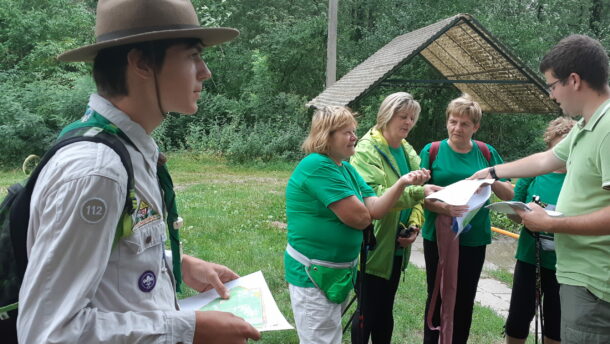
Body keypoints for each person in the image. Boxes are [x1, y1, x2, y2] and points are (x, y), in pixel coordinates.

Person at [16, 1, 261, 343]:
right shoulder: (97, 172)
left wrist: (174, 262)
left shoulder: (126, 149)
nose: (205, 72)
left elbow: (109, 255)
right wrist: (189, 330)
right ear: (142, 63)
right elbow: (49, 332)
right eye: (193, 55)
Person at [470, 34, 610, 344]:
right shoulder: (589, 124)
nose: (551, 96)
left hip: (596, 285)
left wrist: (551, 223)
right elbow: (546, 159)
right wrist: (491, 171)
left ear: (573, 80)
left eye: (552, 85)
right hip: (581, 278)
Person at [284, 106, 430, 344]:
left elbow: (376, 208)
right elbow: (361, 218)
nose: (354, 137)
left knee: (329, 336)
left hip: (336, 271)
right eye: (346, 132)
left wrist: (402, 183)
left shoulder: (346, 168)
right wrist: (376, 204)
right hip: (313, 273)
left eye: (354, 131)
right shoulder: (317, 166)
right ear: (326, 136)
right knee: (321, 340)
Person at [420, 94, 514, 344]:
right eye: (453, 121)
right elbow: (419, 196)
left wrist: (492, 179)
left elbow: (510, 191)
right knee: (437, 295)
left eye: (464, 124)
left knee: (464, 298)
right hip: (439, 237)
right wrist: (443, 209)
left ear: (476, 127)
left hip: (473, 238)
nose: (457, 128)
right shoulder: (433, 151)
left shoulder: (486, 152)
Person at [348, 92, 439, 344]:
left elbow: (418, 197)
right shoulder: (367, 149)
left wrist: (414, 225)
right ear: (387, 115)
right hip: (373, 244)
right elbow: (375, 197)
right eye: (403, 116)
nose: (408, 122)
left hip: (397, 248)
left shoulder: (408, 150)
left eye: (412, 117)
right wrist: (418, 191)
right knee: (366, 312)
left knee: (385, 312)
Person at [504, 117, 575, 344]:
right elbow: (512, 214)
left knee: (555, 323)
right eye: (558, 148)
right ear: (550, 147)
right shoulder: (533, 174)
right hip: (529, 258)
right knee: (518, 318)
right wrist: (523, 215)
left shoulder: (578, 179)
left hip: (563, 264)